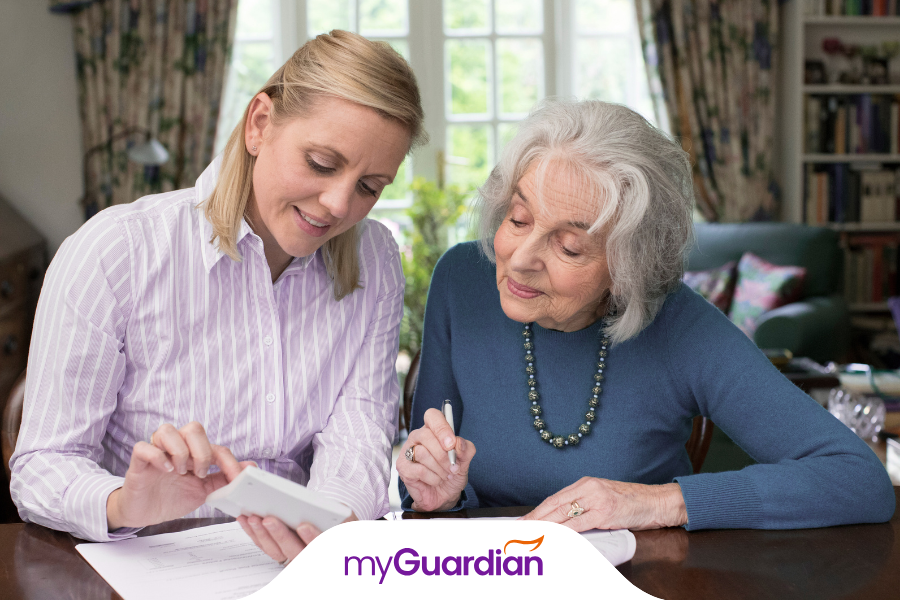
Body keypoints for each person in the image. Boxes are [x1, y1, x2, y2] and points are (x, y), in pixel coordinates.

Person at [11, 30, 425, 564]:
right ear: (259, 124)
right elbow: (42, 466)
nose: (338, 205)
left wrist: (329, 524)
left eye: (370, 186)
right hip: (147, 565)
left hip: (294, 572)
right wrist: (124, 502)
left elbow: (359, 433)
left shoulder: (375, 259)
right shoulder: (115, 252)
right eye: (322, 163)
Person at [398, 99, 895, 531]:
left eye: (570, 247)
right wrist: (437, 496)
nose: (521, 258)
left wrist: (656, 502)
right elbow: (425, 492)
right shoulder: (463, 279)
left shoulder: (682, 327)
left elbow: (857, 479)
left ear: (628, 268)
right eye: (518, 218)